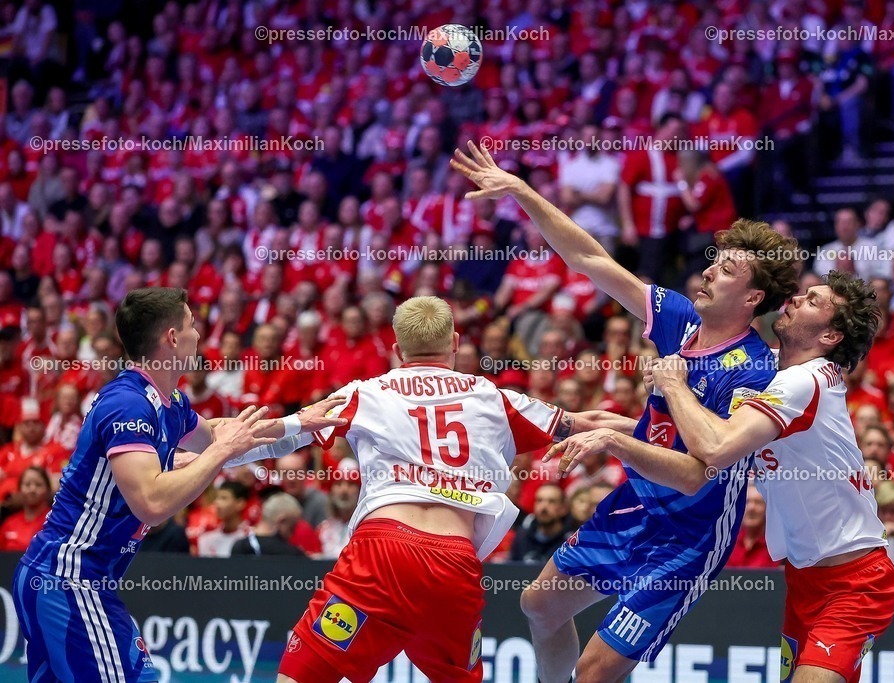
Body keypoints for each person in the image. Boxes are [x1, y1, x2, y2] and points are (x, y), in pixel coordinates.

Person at [452, 141, 800, 681]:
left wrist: (615, 441)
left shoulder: (753, 371)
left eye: (726, 269)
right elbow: (590, 259)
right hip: (635, 504)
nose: (708, 273)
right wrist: (522, 192)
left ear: (752, 298)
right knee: (539, 605)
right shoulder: (680, 321)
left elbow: (692, 474)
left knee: (595, 672)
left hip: (688, 536)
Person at [552, 271, 894, 683]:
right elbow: (704, 420)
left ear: (830, 337)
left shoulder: (801, 382)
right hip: (806, 578)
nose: (794, 298)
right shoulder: (773, 370)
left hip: (854, 581)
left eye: (812, 300)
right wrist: (621, 421)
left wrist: (674, 384)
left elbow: (713, 449)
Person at [276, 296, 634, 683]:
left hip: (382, 553)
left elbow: (278, 436)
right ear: (456, 343)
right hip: (455, 561)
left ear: (397, 350)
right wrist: (672, 433)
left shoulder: (366, 393)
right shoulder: (494, 397)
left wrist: (213, 447)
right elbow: (591, 421)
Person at [12, 287, 346, 683]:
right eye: (191, 325)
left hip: (64, 575)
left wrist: (300, 425)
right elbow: (151, 502)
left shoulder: (165, 400)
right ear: (172, 337)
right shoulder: (129, 404)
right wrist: (220, 454)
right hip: (71, 578)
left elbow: (221, 435)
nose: (199, 336)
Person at [509, 484, 571, 564]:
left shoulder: (571, 542)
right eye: (539, 500)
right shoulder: (522, 536)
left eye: (551, 501)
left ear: (564, 508)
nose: (544, 507)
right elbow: (511, 571)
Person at [230, 493, 306, 557]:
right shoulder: (292, 554)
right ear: (281, 521)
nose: (290, 535)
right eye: (291, 528)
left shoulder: (240, 547)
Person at [0, 466, 53, 551]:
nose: (32, 489)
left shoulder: (54, 522)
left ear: (48, 490)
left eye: (38, 485)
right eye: (27, 484)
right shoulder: (9, 524)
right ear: (19, 490)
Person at [196, 481, 251, 558]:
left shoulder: (251, 538)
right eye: (216, 498)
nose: (216, 503)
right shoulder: (206, 539)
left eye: (224, 498)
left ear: (240, 503)